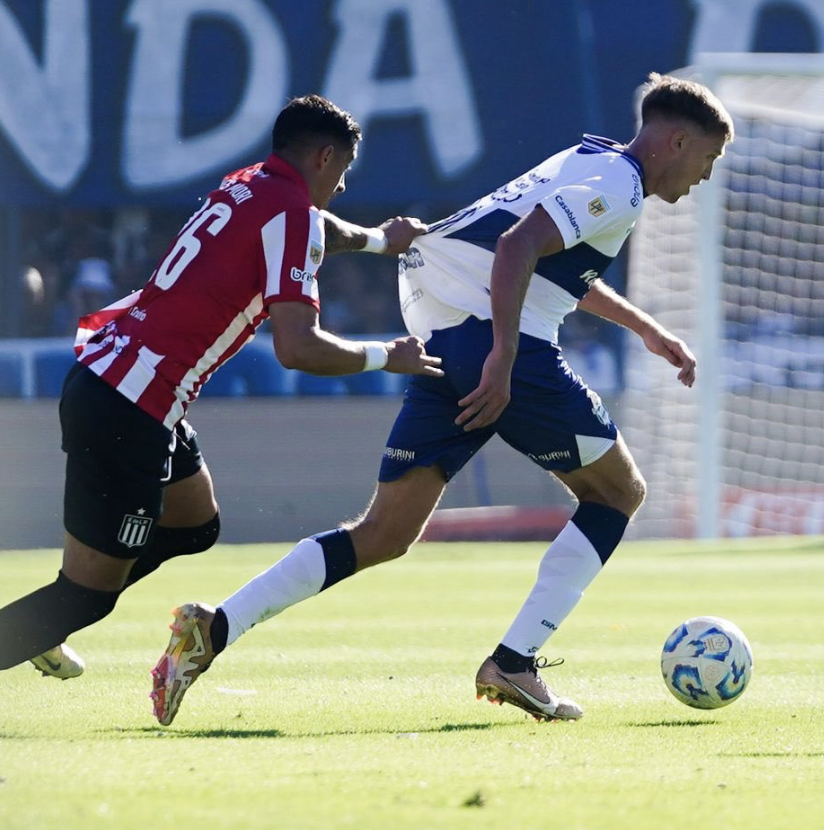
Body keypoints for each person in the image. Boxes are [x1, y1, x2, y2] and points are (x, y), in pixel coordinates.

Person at [149, 73, 733, 727]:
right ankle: (516, 659)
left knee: (383, 534)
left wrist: (647, 329)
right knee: (618, 493)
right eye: (707, 159)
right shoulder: (619, 184)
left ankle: (214, 628)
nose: (704, 176)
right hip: (492, 343)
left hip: (443, 337)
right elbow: (516, 248)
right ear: (678, 141)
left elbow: (541, 253)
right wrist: (505, 358)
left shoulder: (590, 159)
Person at [0, 94, 442, 738]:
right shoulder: (293, 215)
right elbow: (297, 348)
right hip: (130, 404)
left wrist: (382, 240)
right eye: (342, 172)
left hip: (120, 381)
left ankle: (45, 620)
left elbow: (321, 229)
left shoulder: (248, 187)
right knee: (87, 594)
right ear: (325, 156)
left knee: (194, 523)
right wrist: (389, 356)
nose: (341, 186)